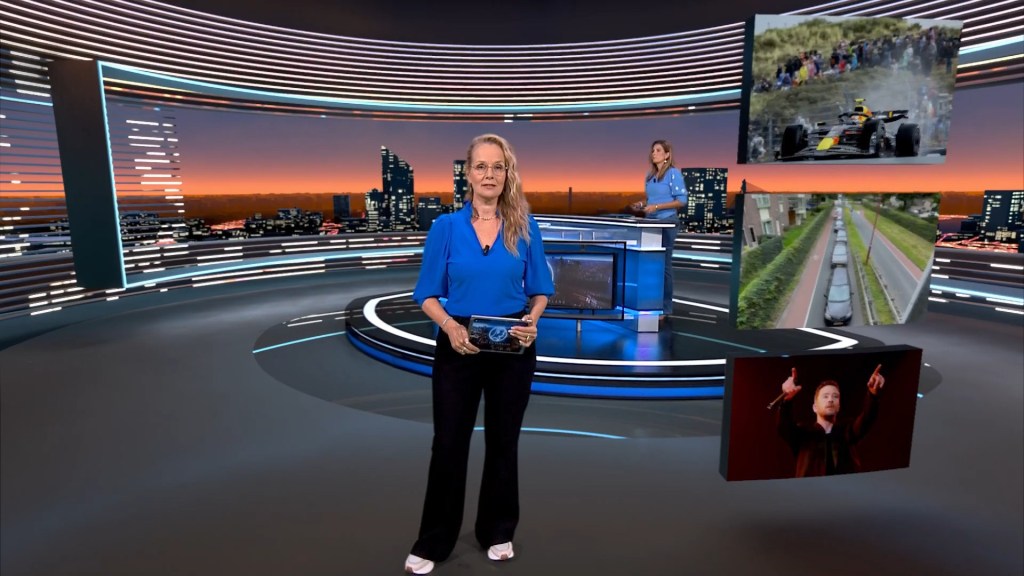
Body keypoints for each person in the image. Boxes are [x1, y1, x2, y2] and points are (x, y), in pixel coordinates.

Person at [404, 134, 554, 575]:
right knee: (449, 443)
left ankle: (498, 530)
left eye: (498, 166)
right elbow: (426, 293)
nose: (490, 174)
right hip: (458, 343)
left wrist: (533, 321)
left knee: (503, 442)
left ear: (508, 174)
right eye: (481, 166)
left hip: (513, 345)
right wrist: (449, 326)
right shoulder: (445, 228)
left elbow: (540, 290)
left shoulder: (525, 225)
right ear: (468, 173)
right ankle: (434, 541)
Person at [776, 365, 884, 477]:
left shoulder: (848, 431)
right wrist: (786, 400)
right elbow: (783, 426)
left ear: (839, 406)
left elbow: (867, 418)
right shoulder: (803, 434)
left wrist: (873, 395)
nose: (830, 400)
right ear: (814, 407)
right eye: (825, 396)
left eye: (835, 396)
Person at [631, 140, 688, 321]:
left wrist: (656, 207)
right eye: (653, 150)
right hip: (651, 223)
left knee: (663, 266)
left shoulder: (673, 174)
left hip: (667, 221)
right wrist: (643, 204)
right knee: (650, 265)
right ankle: (649, 303)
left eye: (658, 150)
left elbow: (681, 201)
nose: (654, 153)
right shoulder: (650, 176)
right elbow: (652, 200)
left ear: (667, 154)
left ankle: (665, 307)